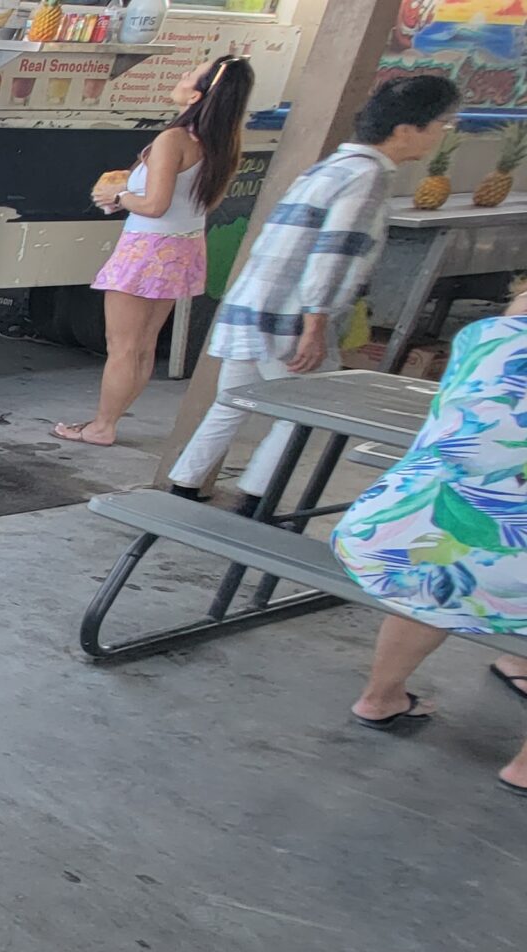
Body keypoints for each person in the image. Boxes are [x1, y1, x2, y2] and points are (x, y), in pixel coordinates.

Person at [167, 74, 462, 512]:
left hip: (251, 307)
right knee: (303, 414)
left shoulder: (330, 167)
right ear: (405, 130)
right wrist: (315, 324)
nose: (442, 135)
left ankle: (184, 488)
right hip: (288, 318)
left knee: (232, 402)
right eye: (441, 125)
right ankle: (256, 502)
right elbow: (332, 255)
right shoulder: (366, 177)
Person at [332, 287, 527, 798]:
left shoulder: (488, 337)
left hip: (398, 535)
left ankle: (380, 697)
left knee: (442, 561)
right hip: (507, 568)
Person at [54, 55, 255, 447]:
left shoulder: (173, 140)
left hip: (146, 248)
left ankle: (102, 426)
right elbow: (202, 202)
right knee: (143, 346)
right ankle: (108, 420)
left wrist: (119, 195)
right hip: (183, 247)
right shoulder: (222, 144)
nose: (182, 76)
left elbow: (155, 205)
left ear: (197, 95)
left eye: (190, 75)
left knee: (122, 346)